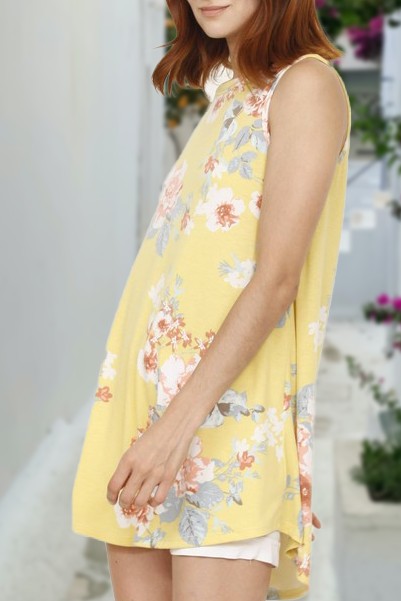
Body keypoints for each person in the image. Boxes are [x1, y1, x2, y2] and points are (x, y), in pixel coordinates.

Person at [72, 1, 350, 600]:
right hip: (147, 428)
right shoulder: (226, 97)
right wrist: (153, 431)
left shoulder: (306, 86)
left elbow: (277, 280)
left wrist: (178, 434)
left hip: (218, 436)